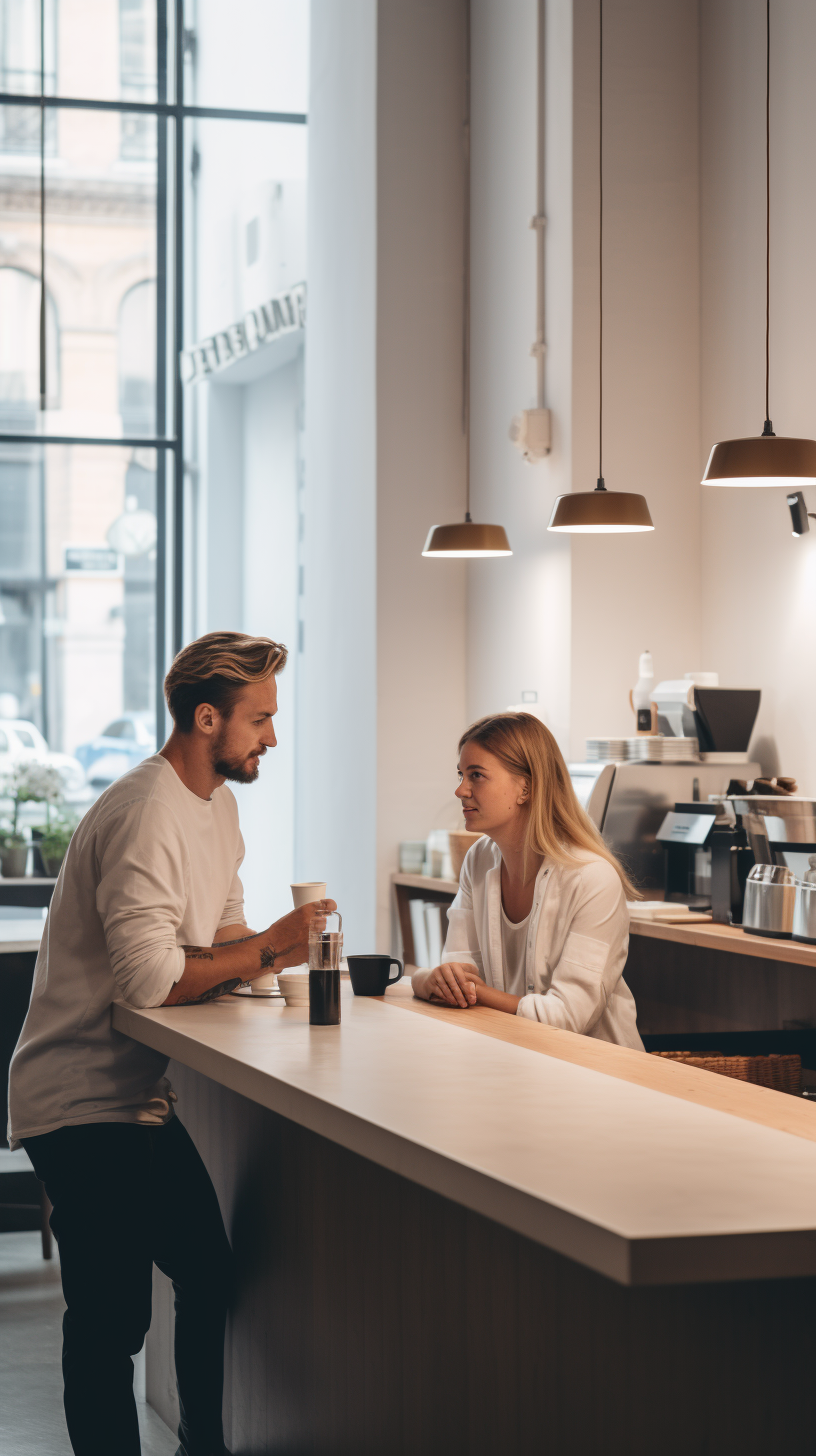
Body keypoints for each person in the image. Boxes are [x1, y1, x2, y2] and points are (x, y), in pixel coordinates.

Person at [8, 631, 336, 1456]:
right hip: (79, 1101)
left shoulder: (217, 807)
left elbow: (219, 935)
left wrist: (264, 954)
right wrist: (268, 946)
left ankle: (203, 1446)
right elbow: (152, 977)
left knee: (208, 1270)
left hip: (137, 1100)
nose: (271, 737)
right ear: (204, 718)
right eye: (259, 719)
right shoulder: (147, 812)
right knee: (111, 1326)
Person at [412, 712, 643, 1049]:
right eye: (462, 775)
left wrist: (464, 989)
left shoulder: (592, 878)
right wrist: (432, 980)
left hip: (598, 1075)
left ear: (526, 787)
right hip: (510, 1055)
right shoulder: (478, 859)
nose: (461, 789)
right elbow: (456, 974)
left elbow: (565, 1018)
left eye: (476, 775)